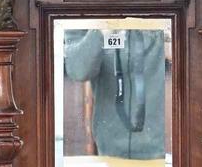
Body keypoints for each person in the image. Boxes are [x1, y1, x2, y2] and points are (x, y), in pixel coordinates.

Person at [64, 24, 165, 158]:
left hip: (163, 152)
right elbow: (78, 71)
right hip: (109, 152)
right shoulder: (84, 15)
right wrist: (100, 31)